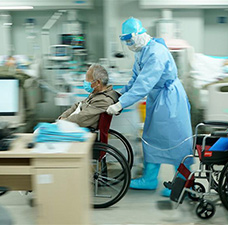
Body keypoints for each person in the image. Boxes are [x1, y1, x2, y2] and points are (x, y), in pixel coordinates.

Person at [106, 17, 193, 196]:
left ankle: (184, 183)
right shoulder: (141, 52)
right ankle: (150, 179)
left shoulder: (156, 53)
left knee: (177, 140)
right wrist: (120, 94)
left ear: (139, 34)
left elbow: (143, 84)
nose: (129, 44)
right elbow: (136, 80)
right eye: (126, 41)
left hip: (170, 99)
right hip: (158, 98)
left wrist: (121, 104)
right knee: (152, 137)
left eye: (130, 40)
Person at [59, 64, 119, 129]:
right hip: (74, 125)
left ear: (98, 82)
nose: (85, 82)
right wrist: (63, 116)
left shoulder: (104, 100)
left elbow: (81, 118)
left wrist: (64, 121)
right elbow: (79, 105)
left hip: (85, 131)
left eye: (87, 79)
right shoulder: (96, 94)